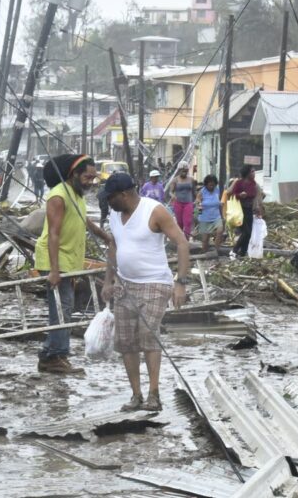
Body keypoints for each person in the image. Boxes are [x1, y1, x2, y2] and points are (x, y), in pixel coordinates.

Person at [101, 173, 190, 412]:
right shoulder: (114, 215)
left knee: (148, 336)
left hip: (154, 282)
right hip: (124, 283)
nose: (108, 203)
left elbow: (181, 242)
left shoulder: (155, 211)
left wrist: (180, 282)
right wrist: (108, 281)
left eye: (111, 198)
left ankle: (154, 394)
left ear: (124, 194)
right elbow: (113, 245)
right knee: (126, 341)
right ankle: (136, 395)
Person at [34, 154, 111, 374]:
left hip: (69, 260)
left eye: (93, 178)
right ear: (74, 174)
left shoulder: (77, 195)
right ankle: (54, 355)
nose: (90, 182)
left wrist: (105, 236)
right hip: (55, 259)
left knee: (65, 307)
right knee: (61, 308)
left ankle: (53, 353)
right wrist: (55, 270)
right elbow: (54, 235)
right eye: (87, 177)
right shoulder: (58, 196)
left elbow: (84, 219)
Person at [227, 165, 263, 258]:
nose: (254, 173)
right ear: (247, 173)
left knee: (249, 233)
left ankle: (243, 253)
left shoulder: (254, 184)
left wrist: (258, 209)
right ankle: (234, 250)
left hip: (249, 210)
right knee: (246, 232)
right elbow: (233, 193)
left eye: (254, 171)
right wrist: (240, 195)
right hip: (240, 209)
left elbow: (255, 196)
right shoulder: (239, 182)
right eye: (252, 171)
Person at [195, 175, 224, 254]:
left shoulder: (217, 190)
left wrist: (222, 216)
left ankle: (217, 250)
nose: (212, 186)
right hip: (205, 218)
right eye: (210, 184)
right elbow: (198, 203)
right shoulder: (202, 192)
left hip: (216, 217)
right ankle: (204, 252)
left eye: (213, 184)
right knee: (205, 240)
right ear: (206, 184)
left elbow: (220, 203)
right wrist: (199, 215)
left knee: (220, 231)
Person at [169, 165, 196, 237]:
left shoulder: (191, 180)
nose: (184, 172)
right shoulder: (175, 180)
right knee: (180, 222)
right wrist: (173, 196)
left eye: (186, 170)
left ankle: (186, 239)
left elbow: (194, 192)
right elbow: (170, 192)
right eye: (183, 170)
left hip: (188, 203)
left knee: (188, 221)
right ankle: (180, 239)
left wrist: (196, 201)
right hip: (178, 203)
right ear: (179, 170)